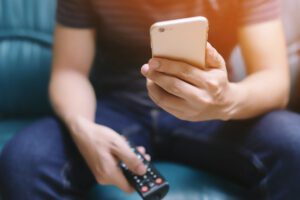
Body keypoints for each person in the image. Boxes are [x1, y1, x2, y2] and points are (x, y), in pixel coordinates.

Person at [1, 0, 300, 199]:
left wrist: (226, 100)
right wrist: (82, 128)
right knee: (24, 161)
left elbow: (274, 80)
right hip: (119, 106)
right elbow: (69, 72)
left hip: (212, 110)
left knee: (295, 143)